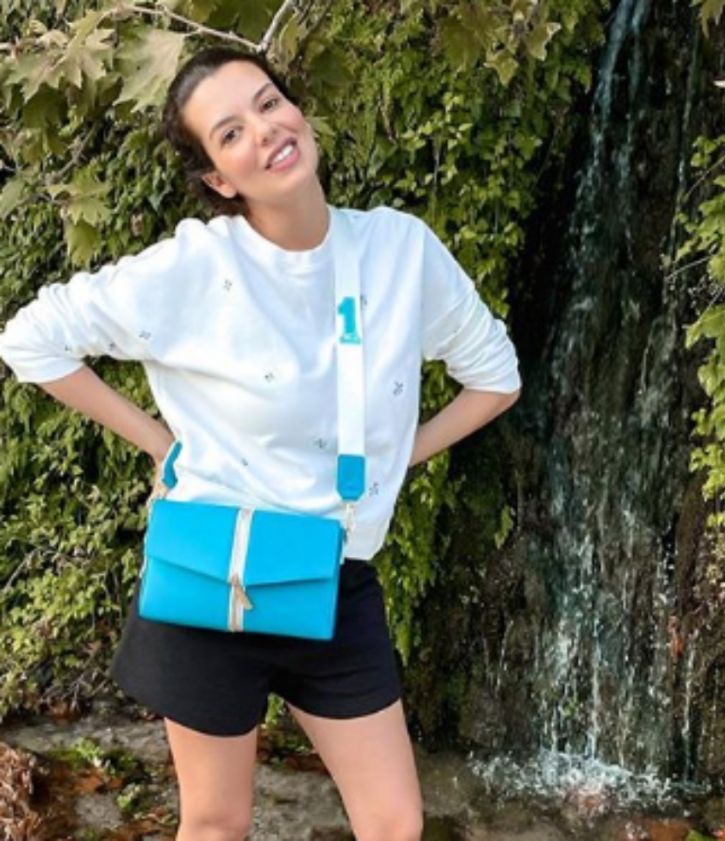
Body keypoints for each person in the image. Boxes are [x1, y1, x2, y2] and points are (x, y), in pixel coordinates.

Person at [0, 45, 521, 841]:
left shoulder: (400, 251)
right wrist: (159, 442)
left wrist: (388, 461)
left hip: (335, 576)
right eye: (231, 132)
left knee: (394, 823)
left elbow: (495, 376)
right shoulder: (193, 268)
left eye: (269, 102)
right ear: (218, 179)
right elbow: (30, 340)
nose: (266, 129)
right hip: (211, 576)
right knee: (217, 824)